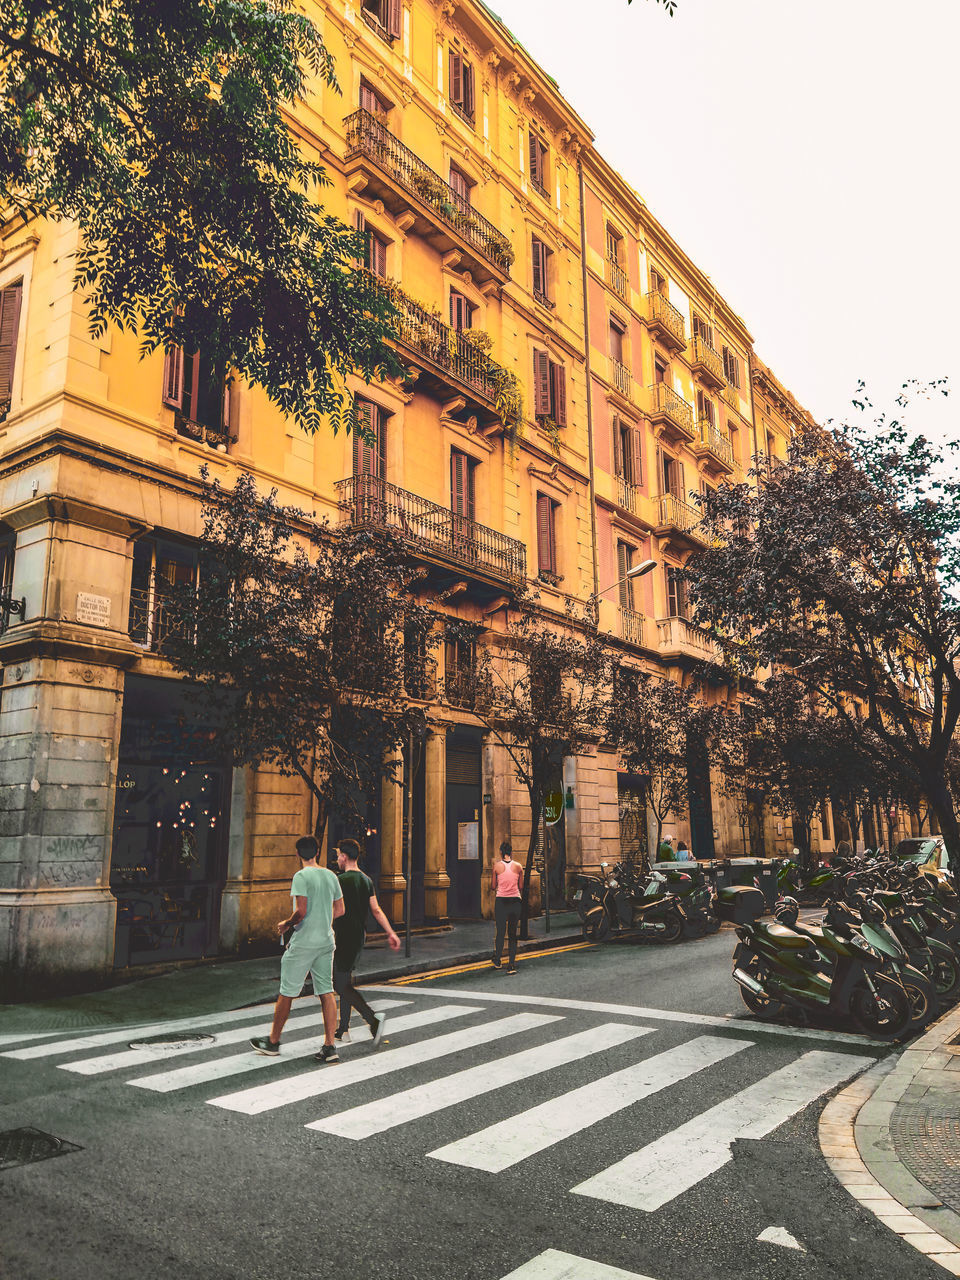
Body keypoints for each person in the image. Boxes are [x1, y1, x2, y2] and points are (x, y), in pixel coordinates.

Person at [250, 835, 344, 1063]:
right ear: (318, 852)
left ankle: (273, 1042)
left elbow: (300, 911)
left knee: (287, 991)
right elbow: (340, 910)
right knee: (326, 991)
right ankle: (330, 1045)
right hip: (325, 941)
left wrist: (286, 924)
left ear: (297, 854)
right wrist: (322, 920)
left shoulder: (301, 876)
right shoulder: (330, 875)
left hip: (303, 943)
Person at [333, 838, 400, 1047]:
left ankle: (372, 1020)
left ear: (344, 857)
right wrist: (391, 932)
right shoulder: (366, 880)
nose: (336, 860)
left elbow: (332, 909)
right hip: (358, 937)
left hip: (342, 936)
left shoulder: (339, 880)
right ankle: (343, 1029)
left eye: (337, 856)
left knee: (339, 984)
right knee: (344, 981)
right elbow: (376, 910)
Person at [491, 840, 522, 974]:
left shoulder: (497, 867)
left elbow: (493, 886)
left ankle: (498, 960)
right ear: (511, 852)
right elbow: (520, 887)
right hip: (515, 901)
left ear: (501, 852)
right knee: (513, 934)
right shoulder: (519, 866)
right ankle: (511, 965)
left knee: (500, 932)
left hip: (501, 901)